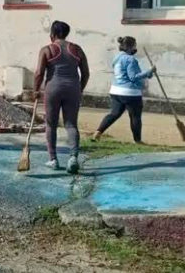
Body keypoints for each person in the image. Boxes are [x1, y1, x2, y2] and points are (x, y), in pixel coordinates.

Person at [34, 21, 90, 173]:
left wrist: (36, 90)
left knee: (51, 124)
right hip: (73, 88)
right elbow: (85, 73)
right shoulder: (77, 49)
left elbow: (39, 73)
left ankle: (53, 159)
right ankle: (73, 158)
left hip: (53, 88)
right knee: (71, 124)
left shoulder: (47, 49)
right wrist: (80, 89)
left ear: (52, 34)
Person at [92, 36, 155, 144]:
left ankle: (98, 132)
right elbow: (133, 77)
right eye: (135, 45)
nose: (136, 48)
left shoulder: (117, 57)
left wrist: (148, 74)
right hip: (130, 93)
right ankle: (138, 140)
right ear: (131, 46)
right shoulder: (131, 59)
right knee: (135, 117)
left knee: (114, 114)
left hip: (116, 91)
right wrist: (149, 72)